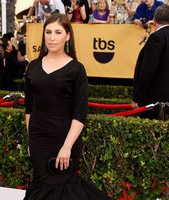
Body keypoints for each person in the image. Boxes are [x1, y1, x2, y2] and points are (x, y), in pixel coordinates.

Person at [24, 13, 110, 200]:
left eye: (57, 32)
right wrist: (30, 139)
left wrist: (67, 146)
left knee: (64, 188)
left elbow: (80, 113)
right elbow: (29, 108)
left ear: (68, 36)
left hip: (65, 137)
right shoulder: (33, 66)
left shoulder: (76, 69)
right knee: (42, 186)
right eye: (48, 32)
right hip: (38, 139)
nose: (52, 37)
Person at [131, 4, 169, 120]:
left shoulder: (156, 38)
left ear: (154, 19)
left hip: (155, 102)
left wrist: (137, 98)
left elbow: (147, 71)